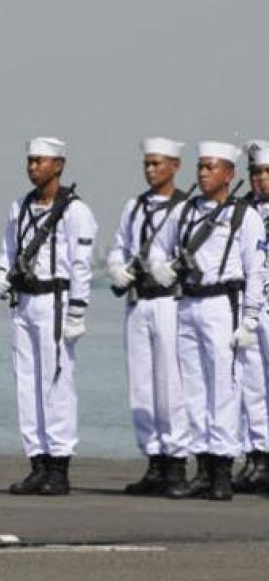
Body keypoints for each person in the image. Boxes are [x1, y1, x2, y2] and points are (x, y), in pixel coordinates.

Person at [148, 141, 265, 501]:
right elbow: (157, 247)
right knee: (194, 391)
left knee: (225, 391)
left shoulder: (245, 216)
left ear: (228, 174)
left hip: (223, 304)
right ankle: (202, 466)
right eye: (200, 167)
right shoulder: (184, 211)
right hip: (189, 303)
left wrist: (249, 319)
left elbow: (256, 271)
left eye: (210, 168)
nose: (202, 174)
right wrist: (161, 268)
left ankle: (221, 472)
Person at [0, 137, 97, 496]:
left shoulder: (74, 211)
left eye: (41, 161)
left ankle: (59, 464)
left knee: (56, 383)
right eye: (31, 161)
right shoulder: (20, 206)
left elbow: (81, 265)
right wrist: (1, 273)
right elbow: (9, 247)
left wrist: (78, 310)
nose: (33, 167)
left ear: (59, 165)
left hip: (56, 300)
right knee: (27, 383)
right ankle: (37, 460)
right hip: (24, 301)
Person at [106, 138, 192, 496]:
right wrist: (116, 269)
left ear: (174, 166)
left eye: (157, 163)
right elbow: (119, 246)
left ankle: (176, 462)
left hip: (171, 303)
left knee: (171, 384)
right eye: (147, 164)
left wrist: (168, 268)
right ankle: (153, 458)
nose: (150, 170)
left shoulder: (187, 208)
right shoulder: (135, 206)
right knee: (141, 385)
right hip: (139, 301)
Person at [235, 140, 269, 494]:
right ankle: (258, 457)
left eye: (265, 173)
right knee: (252, 386)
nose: (261, 180)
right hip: (252, 308)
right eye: (256, 173)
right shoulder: (243, 213)